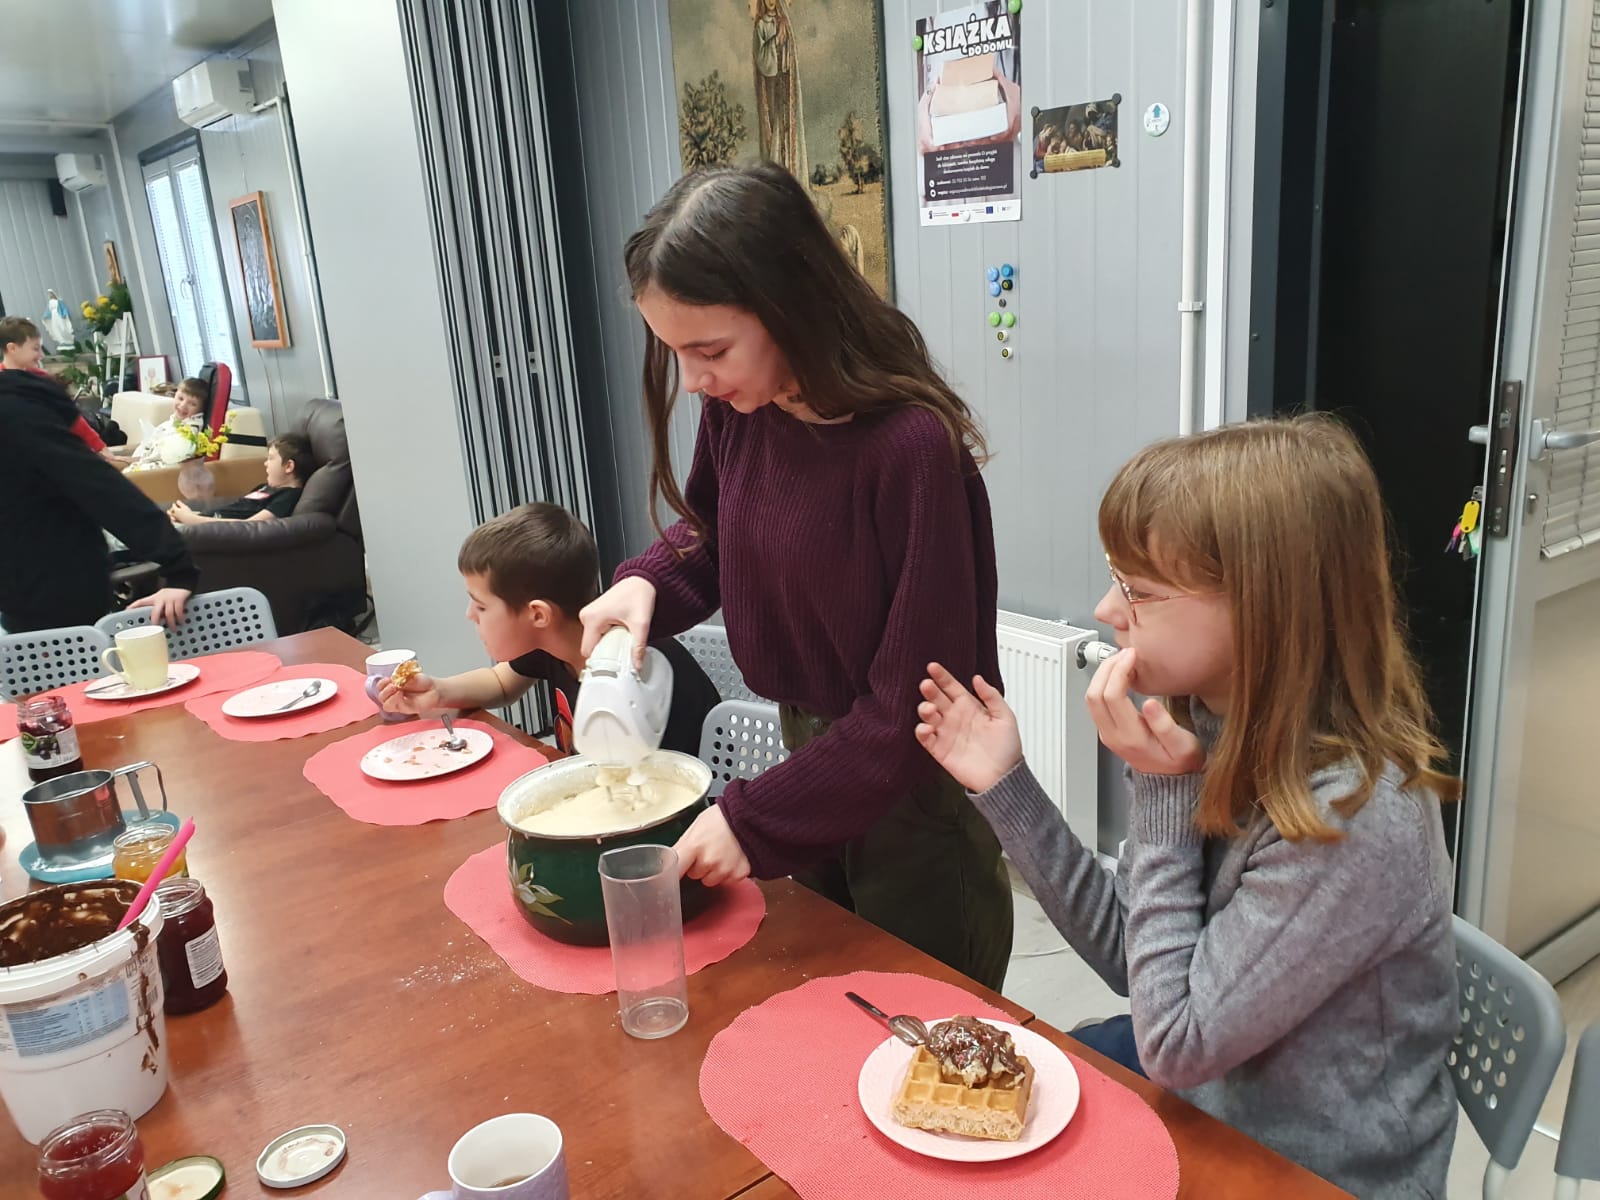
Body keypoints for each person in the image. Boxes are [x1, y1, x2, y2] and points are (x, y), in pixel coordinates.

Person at [915, 416, 1458, 1198]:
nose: (1107, 608)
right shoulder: (1210, 719)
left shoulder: (1353, 815)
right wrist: (1007, 785)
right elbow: (1136, 960)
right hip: (1212, 1105)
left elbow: (1175, 1042)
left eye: (1138, 591)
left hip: (1308, 1169)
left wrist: (1163, 792)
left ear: (1264, 607)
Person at [578, 162, 1013, 990]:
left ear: (791, 306)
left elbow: (911, 711)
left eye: (710, 350)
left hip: (913, 791)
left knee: (923, 1015)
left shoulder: (910, 450)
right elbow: (715, 537)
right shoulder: (741, 410)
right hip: (812, 755)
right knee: (827, 999)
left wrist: (752, 820)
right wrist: (648, 584)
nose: (695, 381)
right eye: (675, 354)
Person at [379, 502, 720, 755]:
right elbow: (501, 683)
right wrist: (438, 691)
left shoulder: (634, 670)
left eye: (481, 606)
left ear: (538, 615)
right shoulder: (555, 640)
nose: (470, 615)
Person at [0, 367, 193, 632]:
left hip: (53, 585)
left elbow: (101, 488)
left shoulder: (15, 415)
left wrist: (179, 568)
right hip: (27, 583)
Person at [0, 315, 122, 464]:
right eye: (35, 349)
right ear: (12, 348)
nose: (41, 355)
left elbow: (73, 419)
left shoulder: (43, 380)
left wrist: (101, 448)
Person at [169, 434, 310, 527]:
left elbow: (251, 526)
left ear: (289, 466)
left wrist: (191, 520)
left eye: (271, 458)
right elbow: (231, 511)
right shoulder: (265, 487)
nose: (265, 463)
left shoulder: (288, 496)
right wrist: (188, 515)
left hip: (210, 533)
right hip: (203, 523)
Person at [110, 377, 208, 470]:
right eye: (180, 398)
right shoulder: (173, 422)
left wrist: (135, 461)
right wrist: (132, 459)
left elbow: (162, 456)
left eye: (192, 404)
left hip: (158, 472)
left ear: (201, 409)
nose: (183, 405)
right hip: (144, 461)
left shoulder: (191, 432)